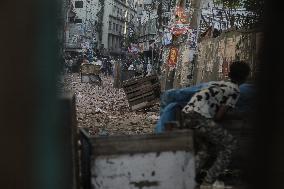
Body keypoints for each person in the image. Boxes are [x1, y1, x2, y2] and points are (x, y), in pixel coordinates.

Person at [181, 61, 251, 188]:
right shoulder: (235, 90)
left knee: (204, 149)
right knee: (230, 144)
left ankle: (186, 180)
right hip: (199, 117)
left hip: (186, 115)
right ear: (246, 77)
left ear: (229, 73)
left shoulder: (218, 84)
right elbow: (219, 116)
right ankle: (208, 181)